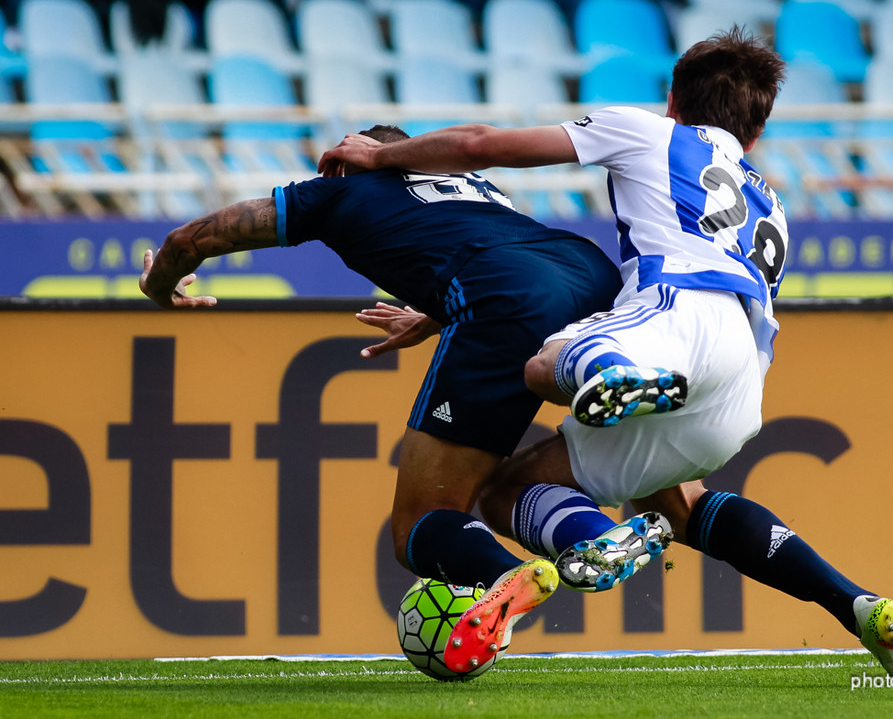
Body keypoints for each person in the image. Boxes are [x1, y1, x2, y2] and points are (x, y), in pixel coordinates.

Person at [318, 29, 893, 679]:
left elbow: (480, 145)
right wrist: (442, 308)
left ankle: (613, 385)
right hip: (738, 388)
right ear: (754, 135)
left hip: (674, 319)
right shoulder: (771, 204)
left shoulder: (648, 131)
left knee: (539, 367)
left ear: (672, 99)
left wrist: (383, 157)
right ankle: (860, 605)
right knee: (671, 504)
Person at [138, 124, 674, 672]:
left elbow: (190, 239)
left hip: (506, 298)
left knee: (420, 522)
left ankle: (503, 580)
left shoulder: (339, 191)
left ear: (354, 162)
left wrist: (160, 287)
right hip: (593, 278)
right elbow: (497, 253)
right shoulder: (475, 188)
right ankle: (597, 526)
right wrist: (434, 312)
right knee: (524, 476)